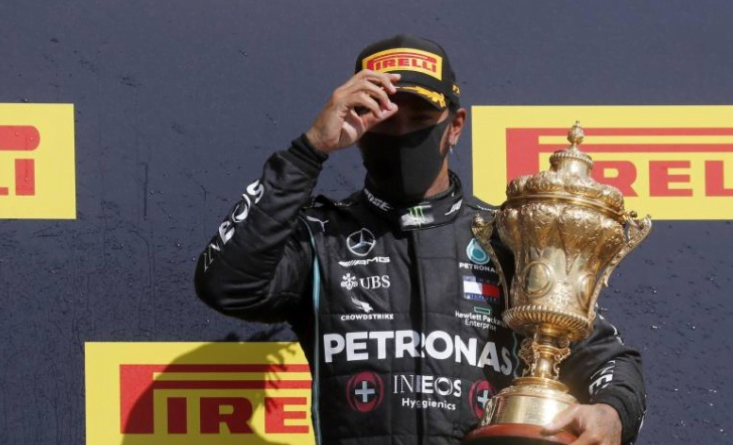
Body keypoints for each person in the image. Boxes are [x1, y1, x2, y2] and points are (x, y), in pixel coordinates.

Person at [194, 34, 646, 445]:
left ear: (455, 126)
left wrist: (612, 413)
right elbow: (226, 284)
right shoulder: (322, 236)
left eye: (421, 118)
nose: (401, 132)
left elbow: (609, 360)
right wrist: (310, 148)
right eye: (383, 116)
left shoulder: (509, 237)